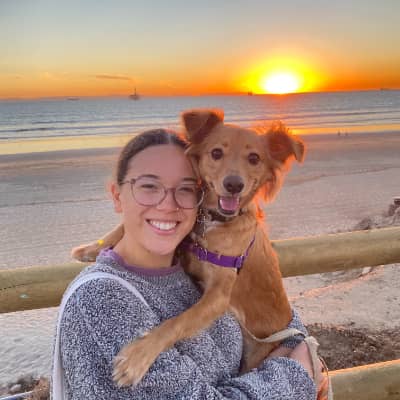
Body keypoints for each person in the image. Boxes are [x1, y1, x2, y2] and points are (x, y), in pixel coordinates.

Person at [53, 128, 324, 399]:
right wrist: (298, 372)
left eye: (185, 189)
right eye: (149, 187)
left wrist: (302, 350)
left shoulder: (193, 259)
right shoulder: (100, 301)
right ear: (116, 195)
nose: (167, 205)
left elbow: (288, 327)